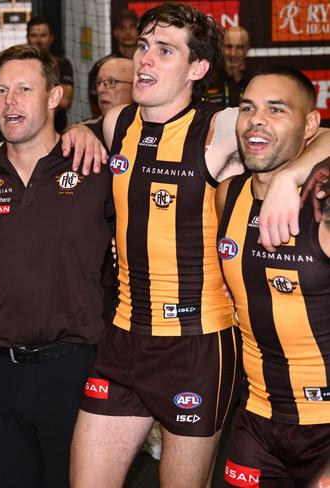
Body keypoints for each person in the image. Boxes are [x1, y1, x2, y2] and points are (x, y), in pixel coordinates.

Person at [69, 4, 330, 486]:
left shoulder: (223, 125)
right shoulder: (116, 124)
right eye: (143, 46)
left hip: (197, 345)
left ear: (198, 68)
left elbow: (317, 134)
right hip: (123, 336)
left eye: (164, 50)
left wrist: (291, 175)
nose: (145, 59)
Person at [0, 44, 114, 488]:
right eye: (0, 90)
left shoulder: (95, 168)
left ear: (55, 97)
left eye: (23, 89)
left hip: (75, 368)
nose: (8, 102)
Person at [216, 66, 330, 486]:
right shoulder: (228, 195)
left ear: (311, 125)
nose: (256, 120)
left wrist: (291, 174)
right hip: (257, 422)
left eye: (276, 109)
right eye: (247, 108)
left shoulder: (323, 201)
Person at [26, 17, 74, 131]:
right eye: (34, 35)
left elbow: (65, 101)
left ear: (51, 38)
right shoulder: (20, 66)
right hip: (27, 128)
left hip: (56, 128)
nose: (38, 40)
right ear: (27, 38)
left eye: (43, 35)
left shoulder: (63, 65)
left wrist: (30, 94)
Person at [88, 9, 138, 117]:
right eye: (122, 28)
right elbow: (95, 105)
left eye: (133, 27)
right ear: (115, 32)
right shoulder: (102, 66)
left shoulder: (147, 64)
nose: (128, 32)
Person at [84, 55, 133, 143]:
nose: (100, 90)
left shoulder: (152, 133)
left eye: (111, 82)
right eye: (99, 82)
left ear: (134, 87)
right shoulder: (85, 134)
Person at [207, 26, 251, 107]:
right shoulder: (209, 81)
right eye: (229, 47)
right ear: (222, 48)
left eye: (239, 47)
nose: (233, 53)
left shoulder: (255, 81)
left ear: (247, 49)